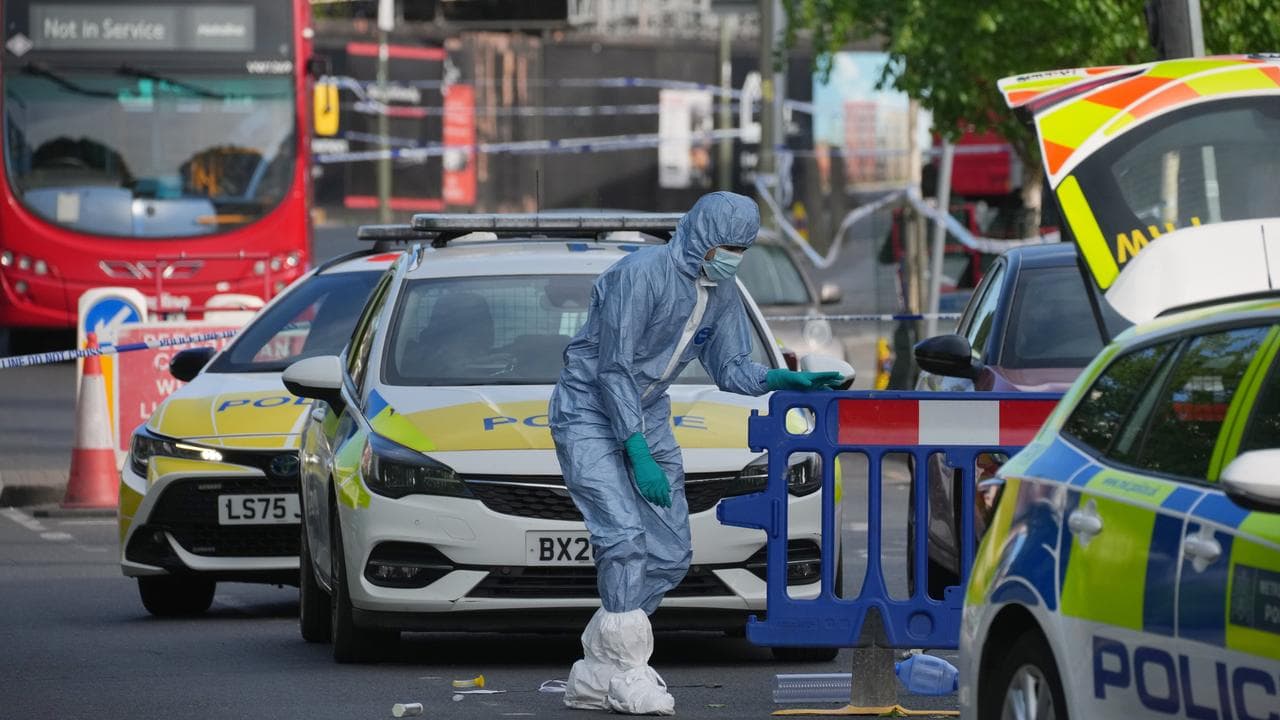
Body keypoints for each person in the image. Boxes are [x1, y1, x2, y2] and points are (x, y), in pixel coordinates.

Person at [548, 192, 845, 715]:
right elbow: (614, 368)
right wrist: (637, 451)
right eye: (729, 246)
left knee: (670, 552)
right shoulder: (641, 275)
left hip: (648, 410)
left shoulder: (721, 291)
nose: (734, 256)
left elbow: (730, 366)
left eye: (742, 248)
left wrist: (783, 379)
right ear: (703, 235)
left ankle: (602, 662)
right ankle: (627, 671)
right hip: (588, 410)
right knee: (624, 537)